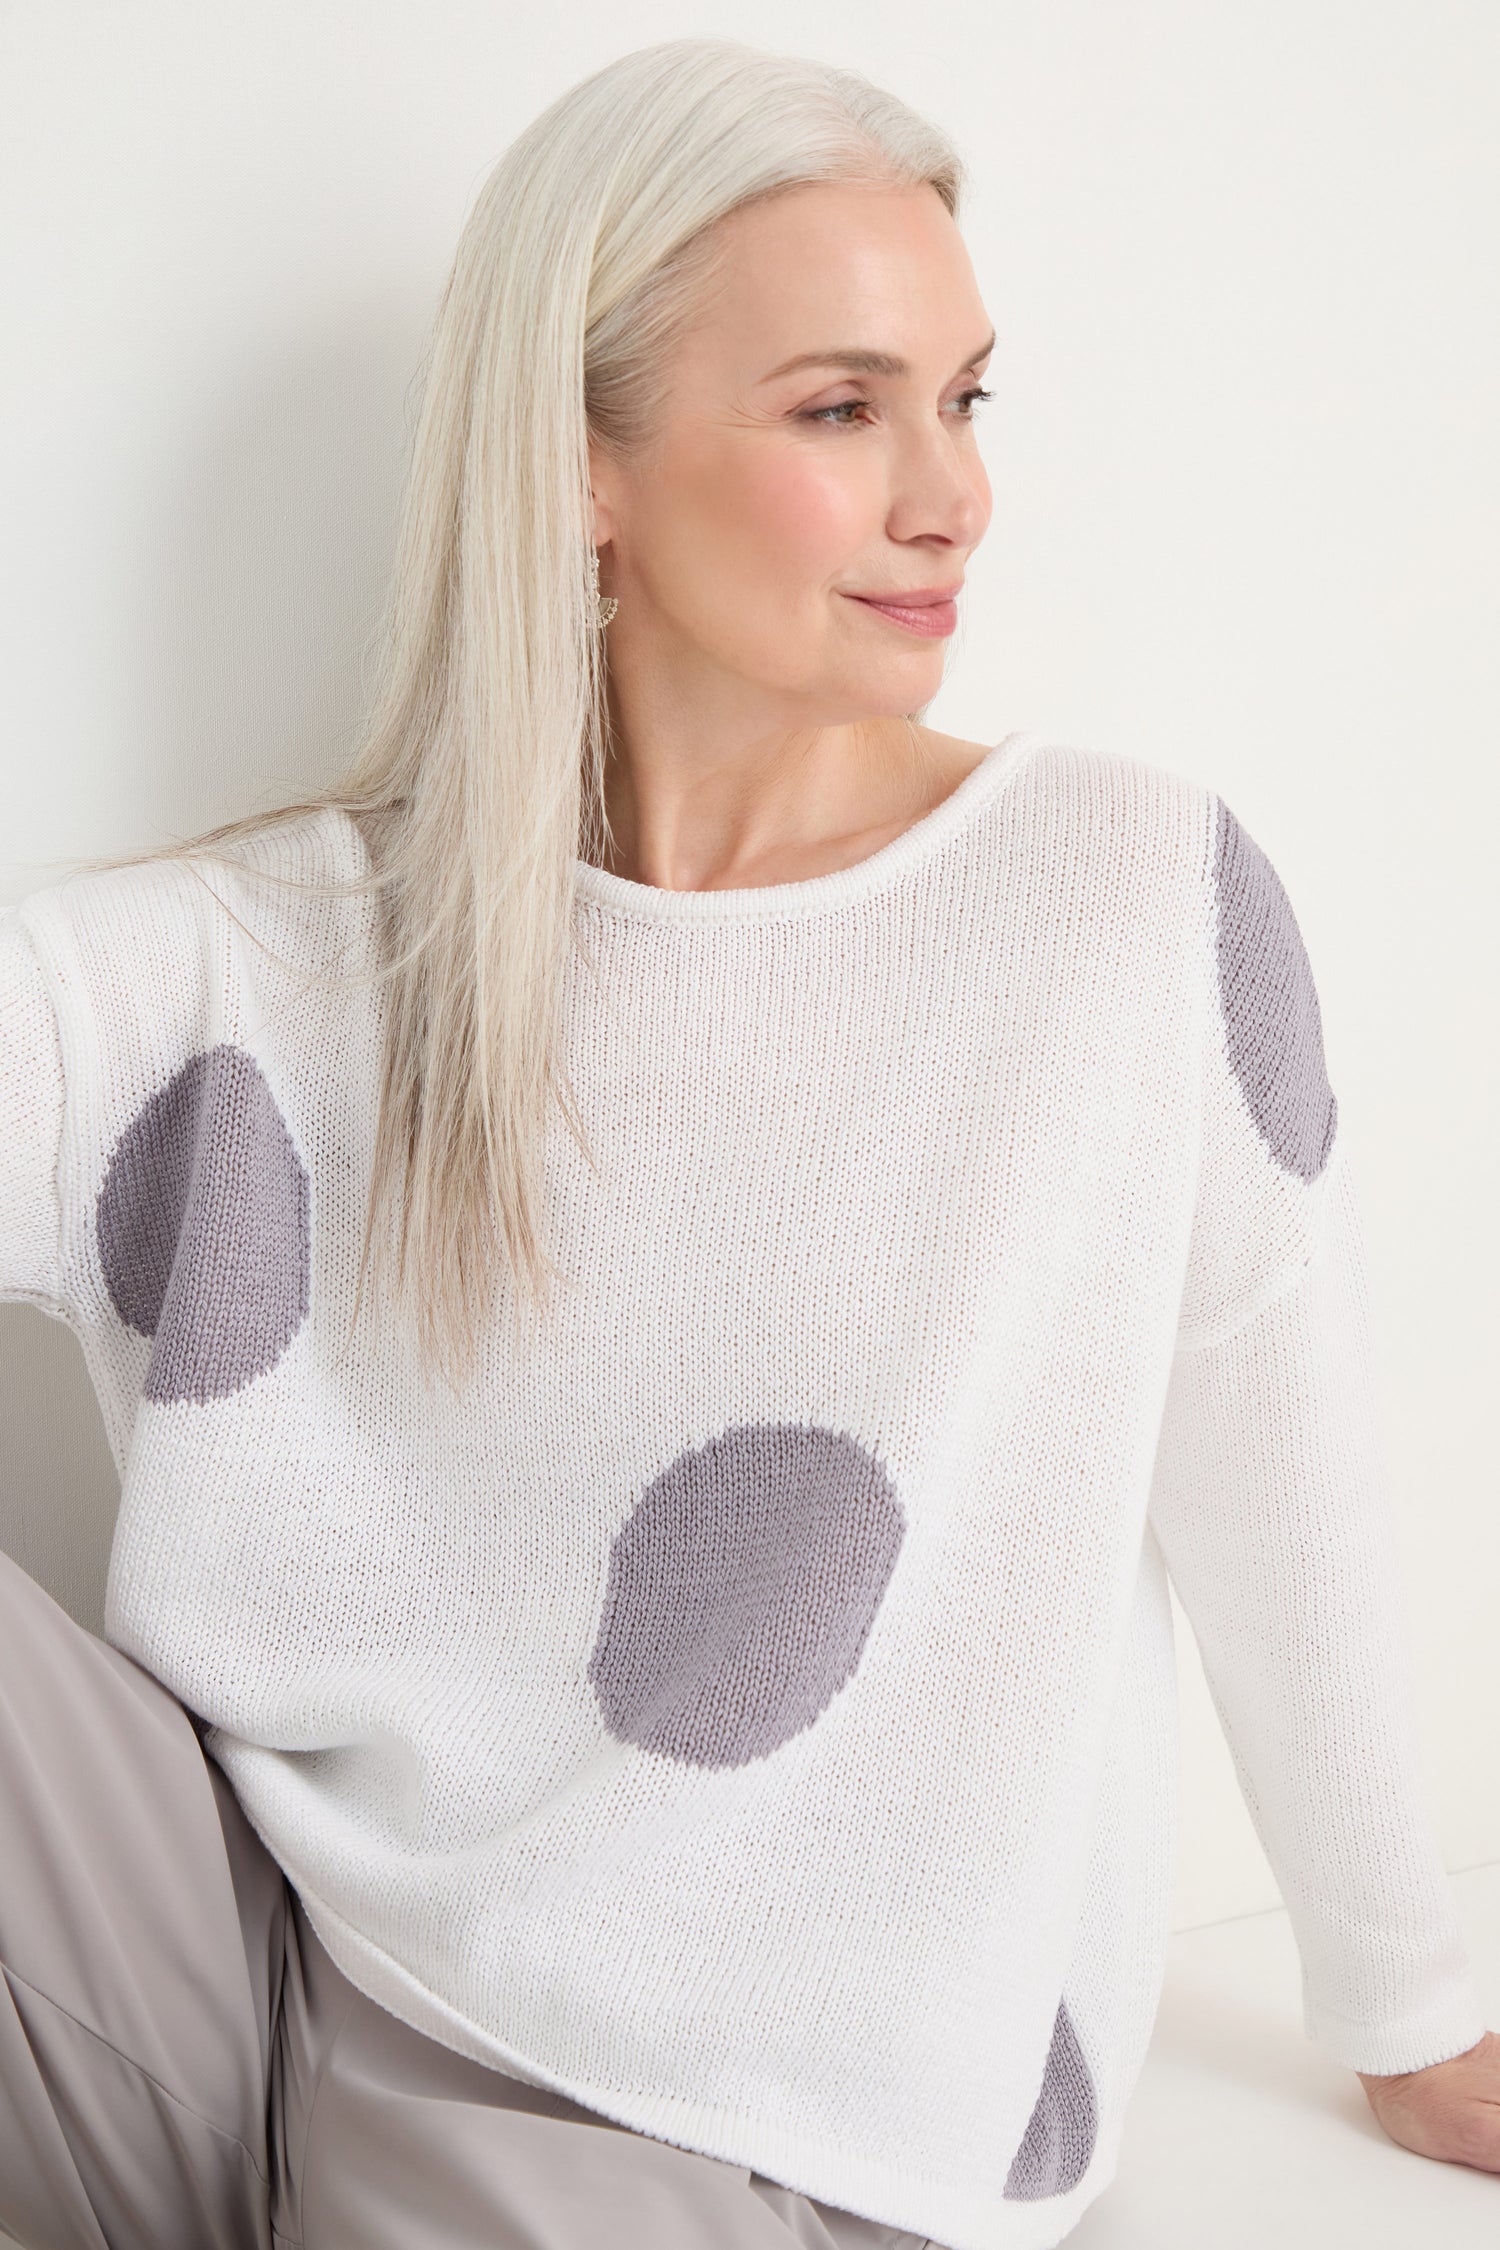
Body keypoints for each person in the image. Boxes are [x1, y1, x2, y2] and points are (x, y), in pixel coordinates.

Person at [0, 33, 1493, 2250]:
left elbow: (1290, 1476)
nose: (952, 494)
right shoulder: (276, 954)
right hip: (231, 1959)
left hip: (682, 2102)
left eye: (963, 399)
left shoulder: (1120, 908)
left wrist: (1423, 2009)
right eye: (840, 407)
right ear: (580, 468)